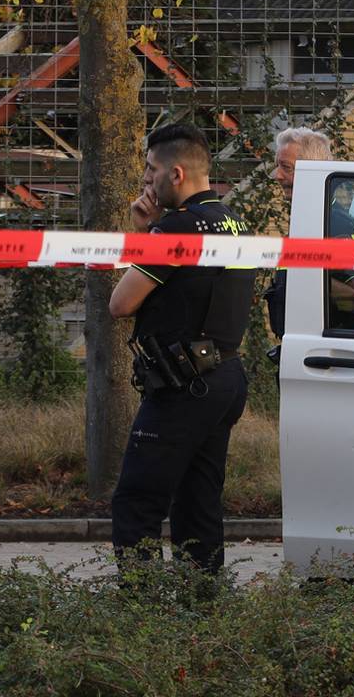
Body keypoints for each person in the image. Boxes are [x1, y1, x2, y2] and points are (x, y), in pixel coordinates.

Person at [108, 123, 257, 576]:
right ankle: (203, 604)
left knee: (137, 499)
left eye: (151, 170)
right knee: (198, 502)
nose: (145, 181)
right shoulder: (237, 222)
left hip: (184, 384)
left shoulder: (178, 228)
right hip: (225, 377)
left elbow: (121, 303)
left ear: (176, 174)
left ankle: (142, 613)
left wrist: (149, 235)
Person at [264, 128, 354, 354]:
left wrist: (309, 271)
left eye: (286, 167)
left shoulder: (338, 227)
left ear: (314, 172)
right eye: (278, 166)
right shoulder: (308, 222)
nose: (277, 175)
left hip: (330, 361)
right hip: (303, 355)